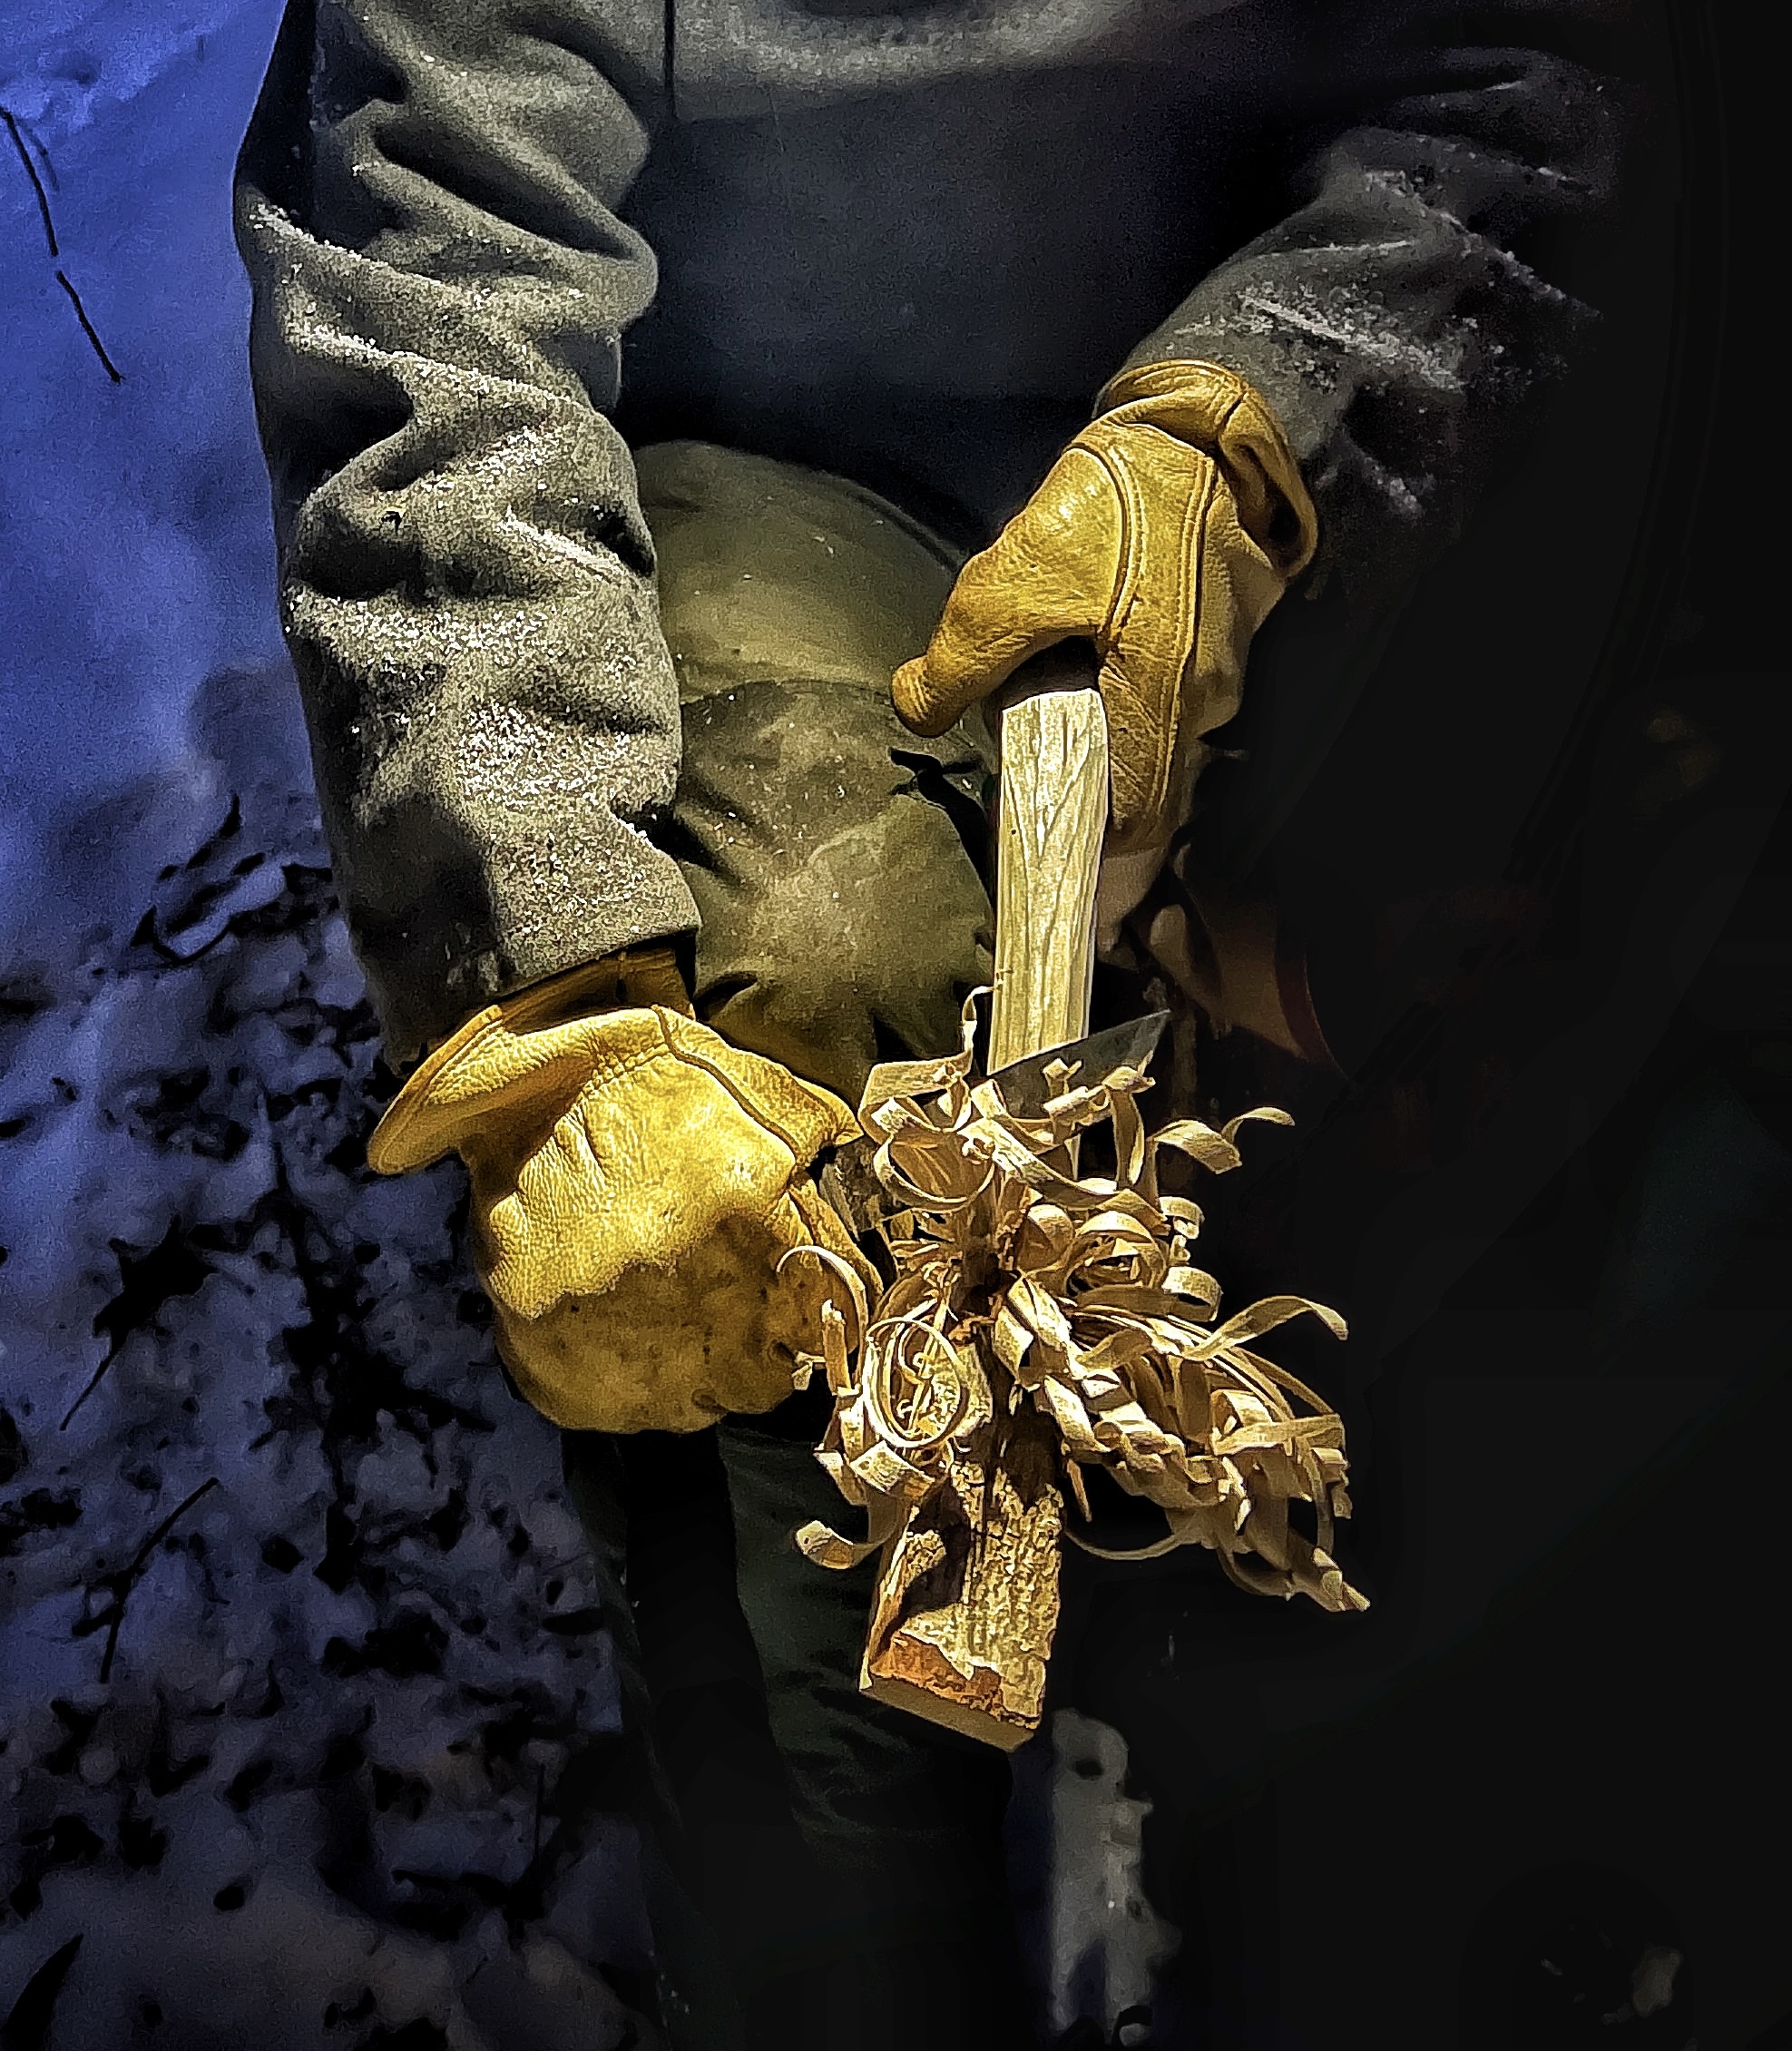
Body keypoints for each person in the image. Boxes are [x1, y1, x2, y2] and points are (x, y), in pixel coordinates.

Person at [233, 4, 1628, 2043]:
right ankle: (832, 1908)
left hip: (1328, 435)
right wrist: (546, 967)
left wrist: (1251, 427)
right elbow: (430, 250)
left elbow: (1552, 86)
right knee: (801, 962)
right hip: (773, 448)